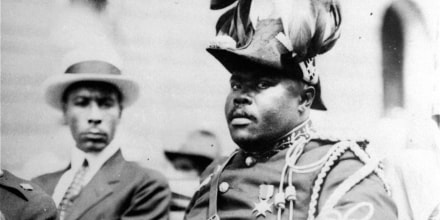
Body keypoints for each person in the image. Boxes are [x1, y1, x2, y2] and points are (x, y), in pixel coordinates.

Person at [184, 0, 398, 219]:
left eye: (262, 84)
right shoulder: (216, 173)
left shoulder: (339, 168)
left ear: (304, 99)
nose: (240, 97)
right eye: (236, 85)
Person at [32, 47, 171, 220]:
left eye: (106, 103)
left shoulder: (145, 184)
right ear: (65, 111)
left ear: (120, 111)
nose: (95, 116)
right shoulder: (39, 187)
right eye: (82, 103)